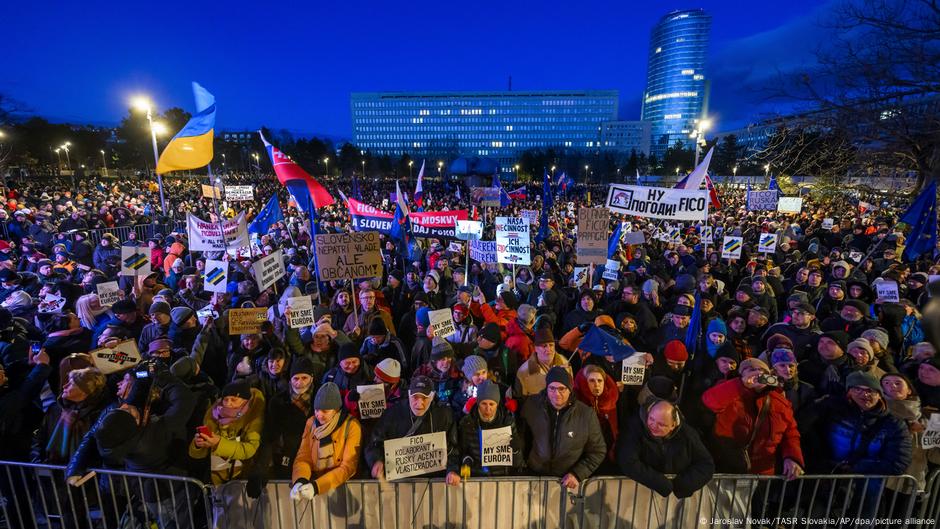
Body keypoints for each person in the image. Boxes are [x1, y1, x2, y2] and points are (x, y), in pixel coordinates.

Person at [702, 358, 804, 478]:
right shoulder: (730, 390)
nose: (758, 373)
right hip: (726, 469)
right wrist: (741, 384)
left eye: (762, 370)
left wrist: (792, 458)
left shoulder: (780, 402)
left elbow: (791, 433)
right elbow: (709, 401)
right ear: (741, 374)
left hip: (762, 474)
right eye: (751, 370)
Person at [520, 366, 606, 490]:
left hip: (566, 482)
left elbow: (598, 451)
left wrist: (577, 474)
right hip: (534, 476)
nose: (556, 394)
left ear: (569, 389)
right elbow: (521, 437)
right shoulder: (532, 406)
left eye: (561, 389)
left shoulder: (586, 415)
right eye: (552, 388)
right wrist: (524, 464)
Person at [364, 376, 458, 480]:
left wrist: (452, 470)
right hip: (400, 481)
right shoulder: (393, 414)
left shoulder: (444, 415)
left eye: (425, 398)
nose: (419, 403)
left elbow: (453, 449)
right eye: (415, 397)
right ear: (409, 395)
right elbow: (375, 442)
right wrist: (376, 461)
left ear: (432, 397)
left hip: (433, 482)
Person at [616, 399, 715, 498]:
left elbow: (706, 465)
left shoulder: (688, 435)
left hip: (676, 503)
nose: (654, 426)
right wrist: (661, 483)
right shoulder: (635, 428)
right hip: (637, 495)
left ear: (673, 425)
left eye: (661, 424)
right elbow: (628, 461)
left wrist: (681, 485)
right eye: (651, 419)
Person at [289, 382, 362, 500]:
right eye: (317, 410)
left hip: (343, 490)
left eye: (325, 411)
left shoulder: (351, 425)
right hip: (312, 488)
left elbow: (348, 467)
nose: (319, 415)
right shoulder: (311, 423)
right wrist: (300, 481)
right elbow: (303, 457)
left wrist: (317, 487)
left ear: (336, 410)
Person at [446, 379, 524, 483]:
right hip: (476, 479)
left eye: (491, 404)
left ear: (497, 404)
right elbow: (460, 451)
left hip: (502, 479)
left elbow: (517, 463)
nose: (488, 409)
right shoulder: (467, 423)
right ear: (478, 403)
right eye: (484, 403)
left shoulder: (507, 422)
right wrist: (466, 461)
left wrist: (516, 450)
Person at [513, 328, 571, 400]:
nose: (548, 349)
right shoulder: (524, 372)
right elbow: (521, 399)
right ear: (536, 348)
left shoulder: (565, 364)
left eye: (551, 345)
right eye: (544, 346)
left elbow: (570, 391)